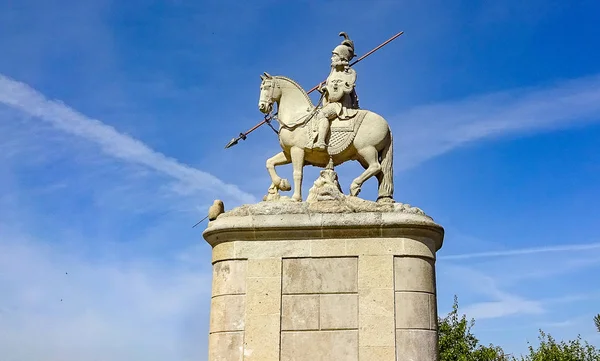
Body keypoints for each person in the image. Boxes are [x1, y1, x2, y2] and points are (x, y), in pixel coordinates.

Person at [314, 32, 360, 150]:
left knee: (322, 114)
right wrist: (324, 91)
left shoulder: (349, 73)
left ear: (341, 57)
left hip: (341, 105)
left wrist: (328, 88)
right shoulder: (333, 73)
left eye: (334, 55)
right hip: (332, 103)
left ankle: (321, 142)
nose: (331, 58)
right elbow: (331, 94)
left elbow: (340, 93)